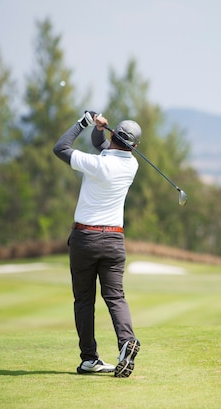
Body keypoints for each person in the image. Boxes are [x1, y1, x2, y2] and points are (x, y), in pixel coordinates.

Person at [53, 110, 141, 378]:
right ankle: (126, 341)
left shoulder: (97, 164)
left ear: (115, 134)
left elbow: (61, 148)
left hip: (86, 239)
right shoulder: (131, 165)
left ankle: (89, 358)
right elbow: (100, 145)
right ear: (135, 147)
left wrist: (85, 122)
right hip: (114, 240)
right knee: (115, 296)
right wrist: (100, 130)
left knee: (84, 300)